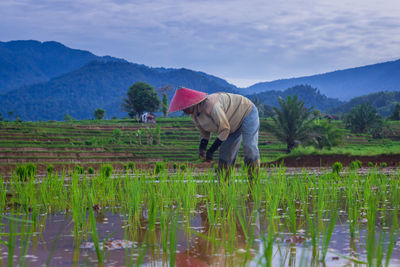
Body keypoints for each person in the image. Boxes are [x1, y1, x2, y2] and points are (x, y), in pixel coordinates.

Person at [168, 87, 260, 179]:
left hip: (246, 111)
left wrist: (211, 151)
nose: (183, 110)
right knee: (225, 154)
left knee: (249, 147)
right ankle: (222, 186)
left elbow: (224, 129)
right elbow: (204, 133)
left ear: (192, 103)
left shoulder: (212, 106)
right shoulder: (194, 115)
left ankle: (254, 184)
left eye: (185, 107)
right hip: (230, 122)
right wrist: (202, 149)